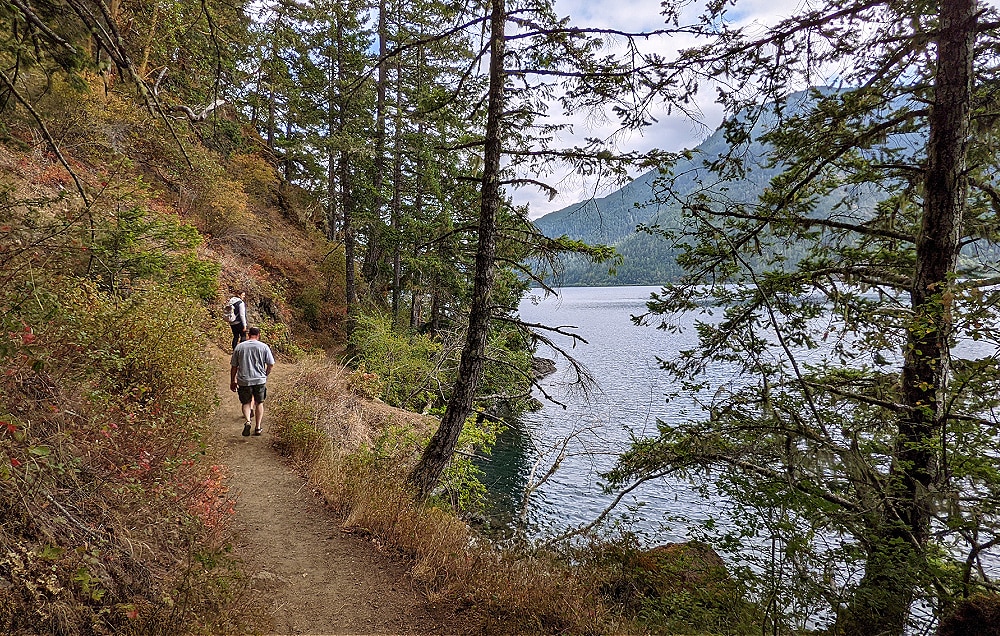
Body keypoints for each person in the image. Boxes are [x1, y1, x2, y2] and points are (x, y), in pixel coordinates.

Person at [230, 326, 275, 437]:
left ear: (249, 335)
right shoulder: (264, 347)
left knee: (246, 402)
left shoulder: (240, 347)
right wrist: (266, 373)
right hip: (259, 379)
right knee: (259, 403)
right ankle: (258, 427)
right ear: (259, 335)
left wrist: (232, 381)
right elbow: (271, 363)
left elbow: (234, 366)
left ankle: (248, 421)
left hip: (244, 380)